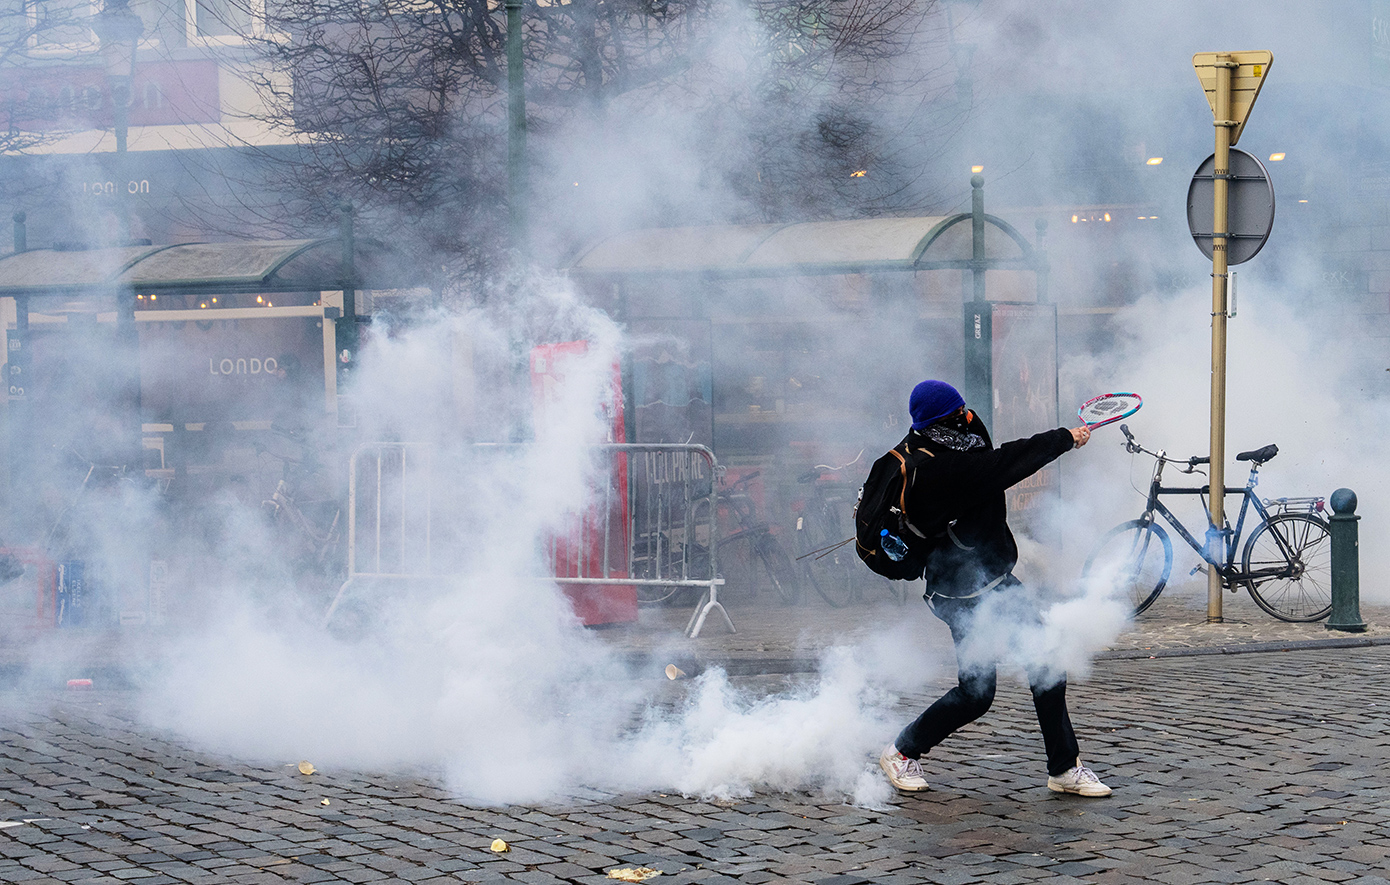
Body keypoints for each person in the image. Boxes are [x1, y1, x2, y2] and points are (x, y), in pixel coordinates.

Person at [878, 379, 1111, 798]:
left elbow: (993, 455)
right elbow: (1007, 462)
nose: (967, 415)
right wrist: (1065, 438)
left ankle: (1063, 767)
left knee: (1045, 659)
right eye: (957, 413)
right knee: (976, 695)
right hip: (959, 594)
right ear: (938, 423)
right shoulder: (941, 469)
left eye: (964, 408)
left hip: (995, 580)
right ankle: (901, 752)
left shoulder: (957, 436)